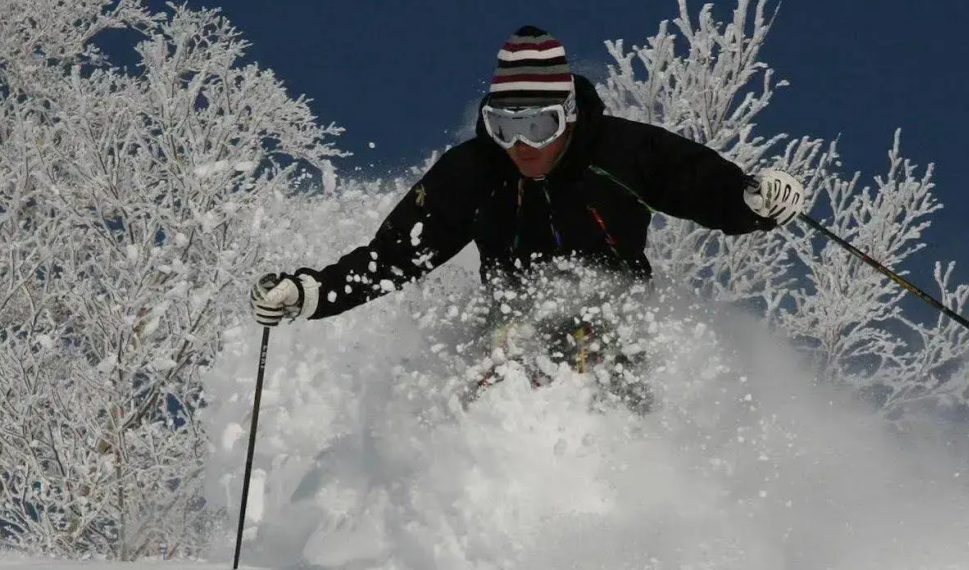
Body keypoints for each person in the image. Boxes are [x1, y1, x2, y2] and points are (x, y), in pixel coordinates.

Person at [250, 25, 804, 402]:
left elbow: (700, 186)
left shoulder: (622, 152)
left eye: (538, 126)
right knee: (501, 356)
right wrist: (311, 291)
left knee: (598, 345)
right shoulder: (474, 172)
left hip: (615, 317)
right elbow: (394, 256)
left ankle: (622, 486)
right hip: (511, 321)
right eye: (505, 127)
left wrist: (753, 202)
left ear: (568, 116)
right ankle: (488, 487)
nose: (521, 145)